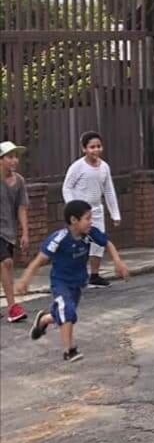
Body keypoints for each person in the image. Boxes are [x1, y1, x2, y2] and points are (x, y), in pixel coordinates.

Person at [15, 200, 129, 362]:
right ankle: (69, 350)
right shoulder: (59, 238)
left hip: (78, 282)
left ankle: (44, 320)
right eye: (87, 218)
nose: (91, 222)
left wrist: (118, 262)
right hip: (60, 282)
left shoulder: (90, 233)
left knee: (62, 313)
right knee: (67, 311)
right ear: (74, 220)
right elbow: (40, 259)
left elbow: (107, 243)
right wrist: (25, 279)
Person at [62, 131, 121, 288]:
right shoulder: (77, 167)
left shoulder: (104, 168)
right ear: (84, 149)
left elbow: (109, 190)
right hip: (80, 213)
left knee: (98, 243)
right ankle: (75, 275)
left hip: (96, 211)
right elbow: (67, 187)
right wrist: (72, 208)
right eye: (92, 147)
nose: (96, 150)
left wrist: (115, 214)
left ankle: (94, 275)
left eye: (98, 146)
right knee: (78, 243)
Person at [1, 141, 30, 323]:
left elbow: (22, 208)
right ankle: (12, 307)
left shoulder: (19, 181)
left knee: (7, 266)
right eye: (9, 157)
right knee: (6, 262)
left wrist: (25, 232)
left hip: (8, 230)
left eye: (15, 157)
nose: (14, 161)